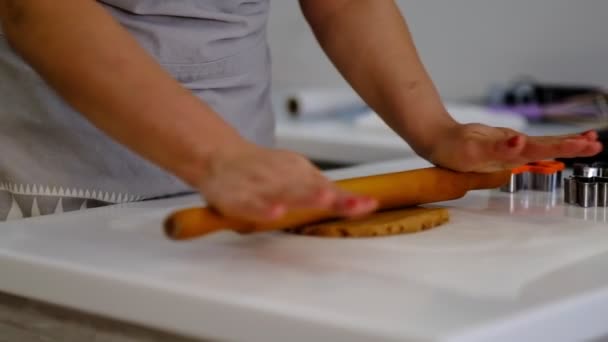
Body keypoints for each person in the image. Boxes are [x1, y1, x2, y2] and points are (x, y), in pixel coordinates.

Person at [0, 0, 600, 222]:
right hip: (58, 184)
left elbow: (345, 5)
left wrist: (437, 131)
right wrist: (218, 156)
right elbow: (39, 11)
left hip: (240, 194)